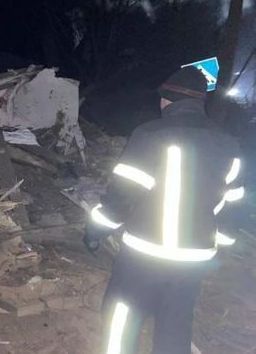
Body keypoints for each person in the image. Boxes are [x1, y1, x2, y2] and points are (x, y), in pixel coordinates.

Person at [83, 66, 245, 354]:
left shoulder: (150, 134)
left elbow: (122, 196)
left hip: (145, 253)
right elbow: (232, 205)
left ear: (166, 100)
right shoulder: (229, 144)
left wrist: (96, 230)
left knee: (122, 317)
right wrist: (220, 246)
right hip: (195, 257)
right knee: (175, 322)